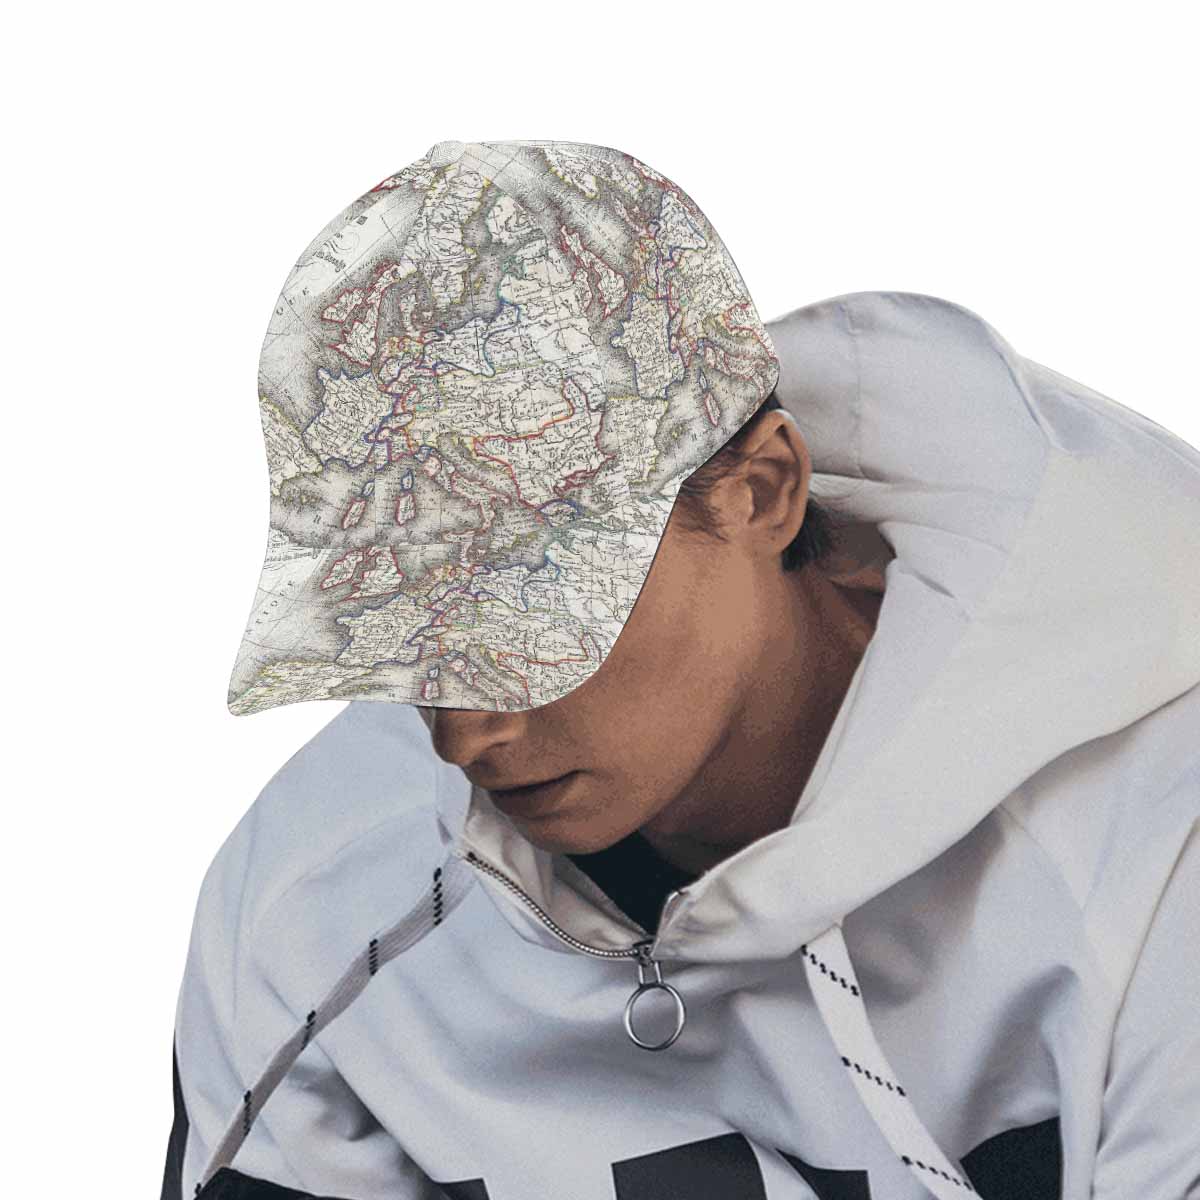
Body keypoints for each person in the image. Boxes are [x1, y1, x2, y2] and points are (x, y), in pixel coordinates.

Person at [163, 141, 1200, 1200]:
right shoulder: (320, 893)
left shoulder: (1153, 839)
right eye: (414, 623)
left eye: (537, 613)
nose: (465, 734)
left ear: (762, 492)